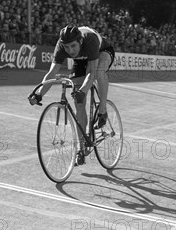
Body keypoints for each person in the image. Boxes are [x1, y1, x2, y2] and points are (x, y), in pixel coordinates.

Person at [29, 25, 115, 166]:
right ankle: (81, 149)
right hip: (81, 60)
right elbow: (51, 74)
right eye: (67, 47)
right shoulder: (61, 46)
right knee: (78, 103)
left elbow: (91, 73)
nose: (70, 50)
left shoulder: (89, 39)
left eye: (73, 46)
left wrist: (83, 90)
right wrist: (39, 94)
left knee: (99, 72)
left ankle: (103, 110)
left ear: (80, 41)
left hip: (101, 52)